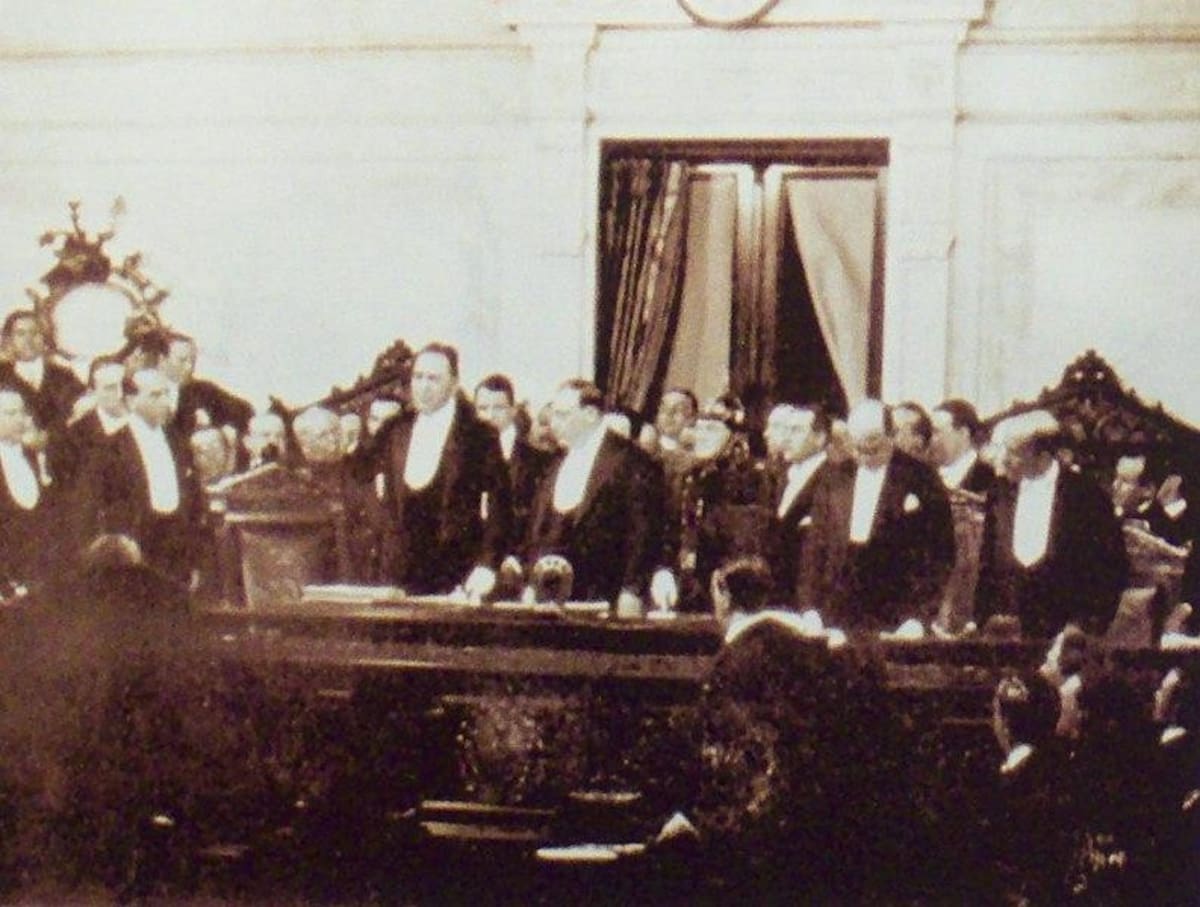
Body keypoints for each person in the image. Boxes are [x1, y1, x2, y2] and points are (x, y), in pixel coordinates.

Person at [349, 342, 511, 598]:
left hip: (456, 572)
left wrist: (488, 564)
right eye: (418, 377)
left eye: (433, 379)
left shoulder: (478, 435)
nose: (423, 386)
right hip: (398, 574)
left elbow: (500, 504)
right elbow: (358, 473)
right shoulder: (394, 429)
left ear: (454, 383)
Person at [800, 399, 955, 632]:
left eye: (874, 449)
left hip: (896, 612)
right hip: (836, 611)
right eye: (859, 449)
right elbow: (815, 547)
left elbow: (940, 555)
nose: (866, 457)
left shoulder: (922, 479)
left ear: (892, 435)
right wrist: (810, 607)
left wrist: (919, 618)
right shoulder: (834, 478)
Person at [974, 410, 1128, 638]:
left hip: (1065, 636)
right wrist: (984, 618)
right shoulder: (999, 492)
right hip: (1005, 635)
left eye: (1013, 452)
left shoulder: (1086, 495)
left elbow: (1110, 570)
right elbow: (987, 563)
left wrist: (1083, 628)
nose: (1003, 459)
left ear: (1043, 454)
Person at [523, 378, 662, 613]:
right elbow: (539, 527)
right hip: (548, 601)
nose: (553, 424)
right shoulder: (556, 461)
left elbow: (643, 533)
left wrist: (632, 590)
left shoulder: (631, 461)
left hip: (604, 597)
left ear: (589, 414)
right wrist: (530, 580)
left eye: (562, 415)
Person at [90, 368, 201, 585]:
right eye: (155, 395)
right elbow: (107, 507)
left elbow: (193, 499)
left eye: (166, 394)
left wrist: (192, 558)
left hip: (177, 552)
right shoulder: (112, 447)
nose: (165, 402)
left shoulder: (178, 442)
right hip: (137, 554)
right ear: (131, 401)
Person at [669, 397, 773, 612]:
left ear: (734, 437)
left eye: (712, 430)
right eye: (699, 429)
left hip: (721, 585)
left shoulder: (747, 481)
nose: (703, 436)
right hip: (682, 583)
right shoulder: (686, 477)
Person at [473, 374, 555, 557]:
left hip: (516, 561)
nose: (490, 415)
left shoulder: (539, 460)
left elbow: (540, 521)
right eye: (483, 408)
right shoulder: (465, 457)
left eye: (499, 408)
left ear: (513, 410)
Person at [763, 405, 829, 606]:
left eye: (797, 431)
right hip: (776, 592)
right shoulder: (781, 476)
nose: (787, 438)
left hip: (808, 594)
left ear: (820, 438)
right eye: (786, 430)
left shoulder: (832, 479)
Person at [0, 309, 85, 439]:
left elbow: (82, 420)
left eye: (34, 333)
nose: (28, 339)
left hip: (62, 453)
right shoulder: (2, 375)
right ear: (8, 339)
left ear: (45, 337)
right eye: (20, 334)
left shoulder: (64, 376)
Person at [0, 387, 52, 584]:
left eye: (21, 412)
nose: (19, 419)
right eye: (10, 414)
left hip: (38, 572)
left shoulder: (34, 456)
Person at [158, 332, 253, 437]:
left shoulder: (203, 390)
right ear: (162, 360)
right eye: (182, 360)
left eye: (193, 360)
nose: (190, 367)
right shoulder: (150, 393)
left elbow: (245, 411)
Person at [930, 398, 995, 493]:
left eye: (936, 431)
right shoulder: (927, 475)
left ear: (963, 433)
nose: (930, 439)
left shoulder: (990, 480)